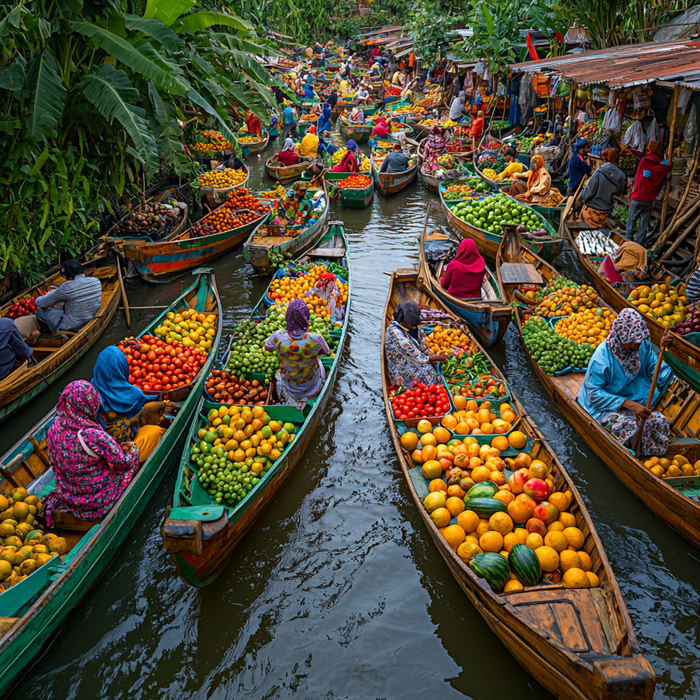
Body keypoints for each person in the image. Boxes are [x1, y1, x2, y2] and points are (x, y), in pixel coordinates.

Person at [43, 380, 141, 527]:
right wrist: (132, 450)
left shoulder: (54, 428)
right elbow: (123, 462)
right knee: (131, 460)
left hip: (69, 497)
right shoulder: (92, 435)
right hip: (97, 500)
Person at [577, 309, 674, 457]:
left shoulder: (642, 346)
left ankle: (647, 453)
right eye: (633, 339)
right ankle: (633, 454)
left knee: (658, 421)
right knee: (628, 426)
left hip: (636, 396)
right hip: (601, 406)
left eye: (640, 338)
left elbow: (656, 370)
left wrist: (664, 350)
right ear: (622, 337)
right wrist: (628, 404)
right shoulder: (601, 359)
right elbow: (594, 394)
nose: (638, 342)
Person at [91, 346, 167, 462]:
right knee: (156, 432)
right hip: (120, 451)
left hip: (101, 445)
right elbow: (144, 402)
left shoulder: (90, 390)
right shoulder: (134, 394)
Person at [264, 299, 330, 410]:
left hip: (289, 385)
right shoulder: (316, 339)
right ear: (306, 318)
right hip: (311, 387)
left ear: (287, 317)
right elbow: (325, 352)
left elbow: (267, 348)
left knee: (280, 372)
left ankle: (286, 398)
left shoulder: (278, 336)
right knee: (318, 359)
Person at [384, 302, 447, 387]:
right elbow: (417, 357)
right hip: (401, 365)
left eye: (416, 325)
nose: (415, 327)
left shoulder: (415, 326)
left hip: (416, 358)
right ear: (403, 321)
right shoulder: (395, 333)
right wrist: (438, 358)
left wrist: (432, 356)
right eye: (413, 325)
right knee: (426, 376)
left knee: (436, 369)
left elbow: (423, 346)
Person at [34, 260, 102, 335]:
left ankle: (50, 330)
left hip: (70, 326)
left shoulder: (67, 287)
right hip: (89, 319)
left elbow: (40, 303)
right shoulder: (96, 281)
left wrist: (38, 298)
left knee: (39, 312)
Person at [626, 140, 671, 244]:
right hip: (649, 200)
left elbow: (643, 158)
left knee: (631, 223)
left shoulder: (644, 162)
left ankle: (628, 243)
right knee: (643, 225)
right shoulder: (663, 166)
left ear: (649, 150)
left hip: (637, 198)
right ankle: (639, 245)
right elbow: (668, 166)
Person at [580, 148, 626, 228]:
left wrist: (581, 196)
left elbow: (589, 191)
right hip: (604, 212)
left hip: (591, 210)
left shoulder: (599, 171)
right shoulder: (621, 175)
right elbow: (616, 193)